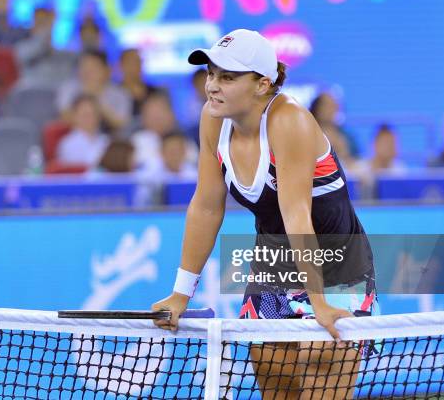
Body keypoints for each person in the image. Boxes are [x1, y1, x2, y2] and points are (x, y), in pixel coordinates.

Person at [151, 29, 378, 399]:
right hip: (273, 263)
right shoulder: (213, 120)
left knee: (321, 358)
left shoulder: (289, 121)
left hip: (336, 266)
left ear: (262, 83)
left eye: (227, 77)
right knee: (273, 374)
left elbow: (296, 213)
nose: (212, 86)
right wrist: (180, 295)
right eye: (211, 74)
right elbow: (207, 207)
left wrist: (317, 301)